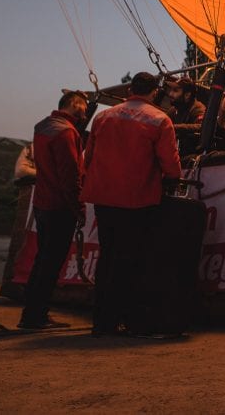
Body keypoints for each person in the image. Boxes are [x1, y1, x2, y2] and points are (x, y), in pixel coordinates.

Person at [82, 72, 182, 338]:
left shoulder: (103, 117)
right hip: (139, 199)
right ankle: (135, 321)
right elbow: (171, 164)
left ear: (129, 89)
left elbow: (87, 157)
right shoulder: (160, 120)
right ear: (154, 92)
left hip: (103, 198)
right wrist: (173, 179)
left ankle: (102, 322)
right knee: (135, 261)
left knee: (108, 258)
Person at [18, 90, 88, 330]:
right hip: (59, 206)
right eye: (84, 107)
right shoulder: (67, 133)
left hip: (42, 203)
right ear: (75, 105)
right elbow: (70, 176)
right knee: (51, 263)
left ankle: (31, 311)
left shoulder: (42, 128)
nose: (85, 113)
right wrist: (79, 207)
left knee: (42, 260)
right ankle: (35, 316)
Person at [166, 78, 206, 156]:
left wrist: (174, 127)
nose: (170, 94)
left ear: (187, 95)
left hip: (190, 157)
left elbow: (201, 127)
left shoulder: (198, 108)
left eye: (175, 91)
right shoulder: (173, 110)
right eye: (171, 90)